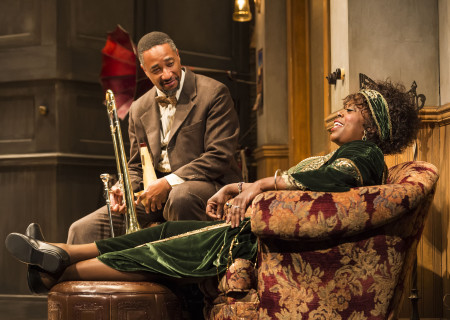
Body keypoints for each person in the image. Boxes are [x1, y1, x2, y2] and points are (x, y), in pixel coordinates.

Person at [5, 80, 420, 296]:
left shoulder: (366, 155)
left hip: (258, 242)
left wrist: (255, 183)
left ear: (371, 123)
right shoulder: (350, 153)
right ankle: (58, 252)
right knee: (159, 233)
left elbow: (326, 182)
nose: (335, 116)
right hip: (254, 231)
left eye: (347, 111)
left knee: (157, 252)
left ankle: (54, 277)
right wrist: (243, 187)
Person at [67, 31, 242, 244]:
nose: (167, 74)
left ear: (178, 56)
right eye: (156, 70)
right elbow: (135, 166)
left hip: (208, 186)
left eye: (170, 64)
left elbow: (219, 156)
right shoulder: (138, 108)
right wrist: (125, 186)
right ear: (145, 71)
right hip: (155, 195)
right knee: (82, 228)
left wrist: (168, 183)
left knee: (180, 197)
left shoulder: (214, 93)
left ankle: (182, 277)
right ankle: (59, 265)